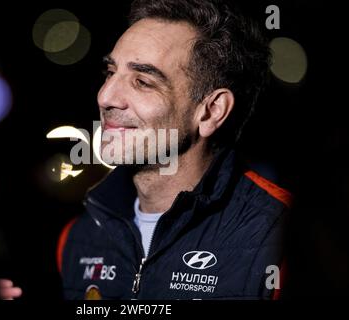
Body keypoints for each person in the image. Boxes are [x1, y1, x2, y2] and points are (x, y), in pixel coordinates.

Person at [57, 0, 291, 300]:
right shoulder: (80, 237)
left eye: (142, 82)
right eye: (110, 72)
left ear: (210, 112)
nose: (106, 97)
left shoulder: (277, 237)